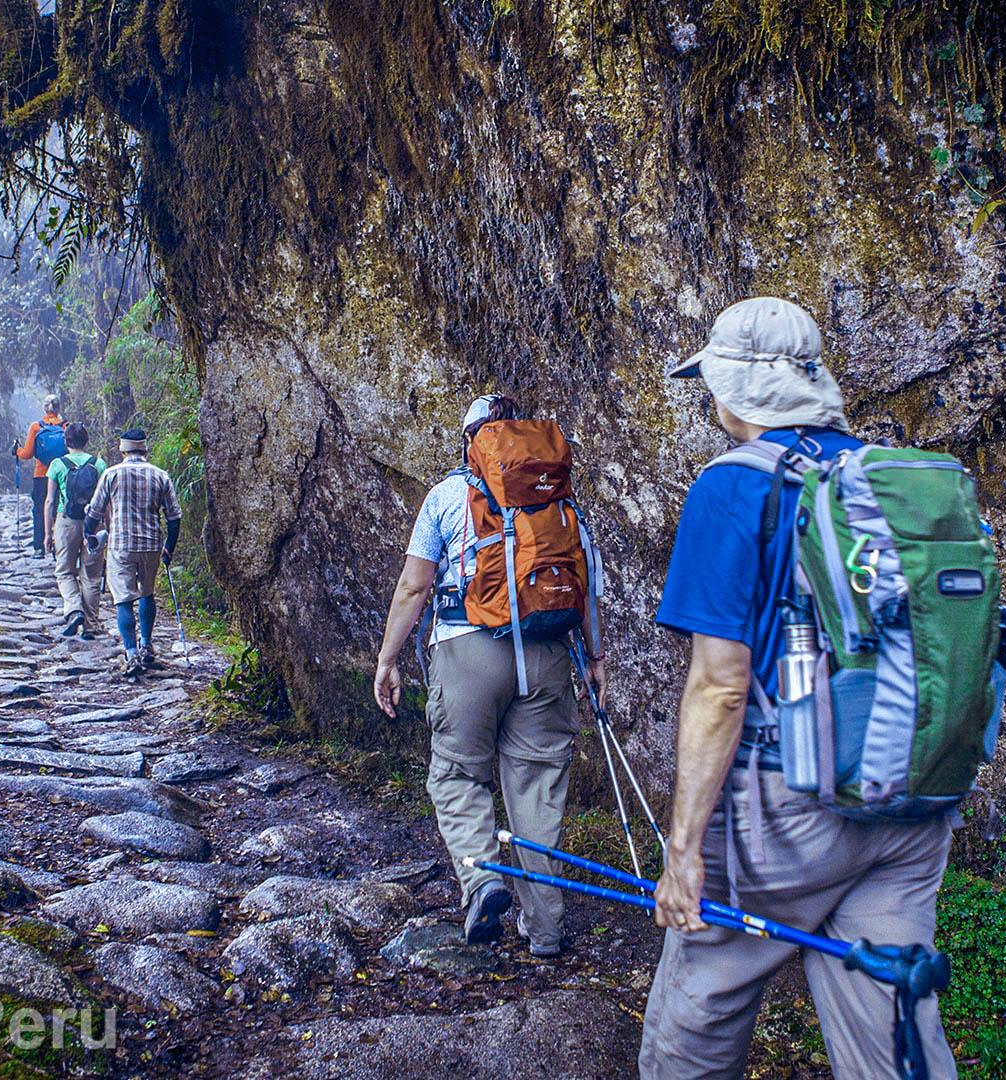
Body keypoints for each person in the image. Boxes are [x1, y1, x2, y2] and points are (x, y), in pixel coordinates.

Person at [639, 297, 959, 1078]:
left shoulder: (735, 486)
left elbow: (720, 688)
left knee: (698, 1009)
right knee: (892, 1030)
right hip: (912, 799)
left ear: (734, 387)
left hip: (787, 816)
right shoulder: (894, 478)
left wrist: (684, 852)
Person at [372, 394, 605, 955]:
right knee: (538, 791)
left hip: (467, 648)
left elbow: (414, 587)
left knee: (457, 775)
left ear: (469, 440)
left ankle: (482, 883)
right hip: (548, 656)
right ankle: (545, 931)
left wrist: (387, 659)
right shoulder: (559, 498)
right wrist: (596, 658)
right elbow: (586, 586)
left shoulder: (448, 495)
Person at [82, 428, 181, 672]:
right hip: (151, 544)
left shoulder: (111, 474)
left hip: (121, 546)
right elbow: (174, 516)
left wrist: (88, 534)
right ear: (145, 449)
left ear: (122, 449)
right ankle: (147, 644)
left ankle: (131, 653)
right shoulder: (160, 476)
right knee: (147, 594)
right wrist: (169, 546)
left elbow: (95, 511)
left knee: (123, 600)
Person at [43, 421, 107, 638]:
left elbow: (50, 501)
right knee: (91, 574)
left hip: (66, 521)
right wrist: (108, 526)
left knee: (64, 571)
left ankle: (74, 610)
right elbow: (104, 500)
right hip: (93, 522)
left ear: (66, 442)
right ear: (86, 440)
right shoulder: (98, 464)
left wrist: (47, 532)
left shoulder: (57, 465)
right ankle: (91, 625)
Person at [15, 395, 67, 556]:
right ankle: (58, 546)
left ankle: (39, 547)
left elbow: (27, 454)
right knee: (59, 509)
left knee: (39, 509)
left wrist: (16, 449)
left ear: (45, 408)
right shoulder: (66, 426)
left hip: (41, 475)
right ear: (58, 408)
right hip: (61, 474)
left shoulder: (36, 427)